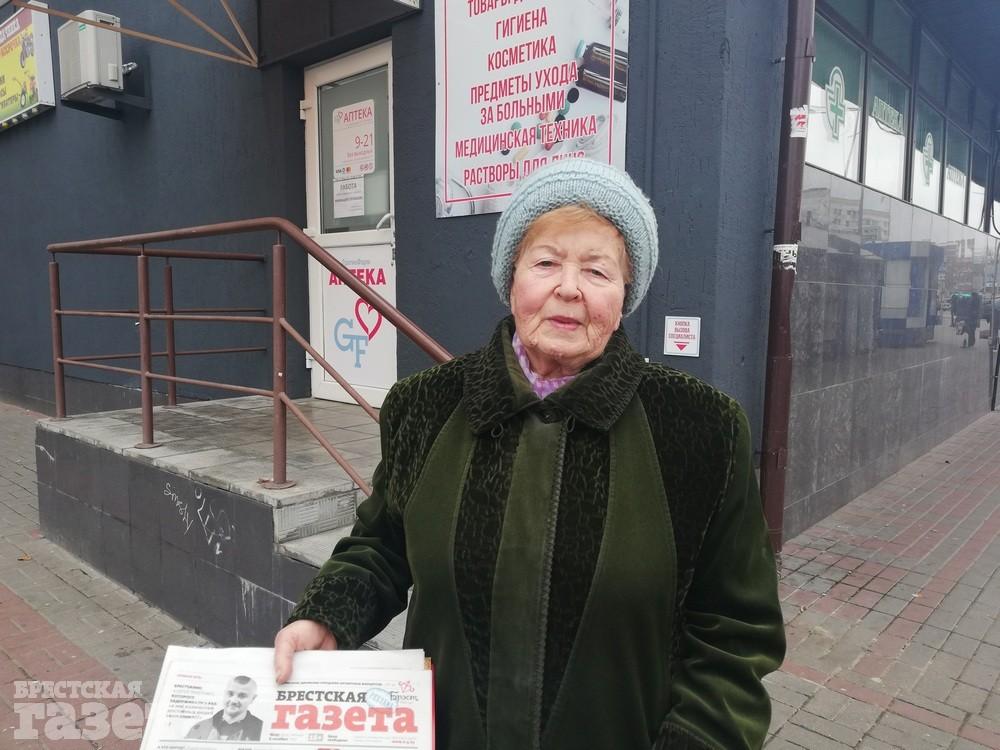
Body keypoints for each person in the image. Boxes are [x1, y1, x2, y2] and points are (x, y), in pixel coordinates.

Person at [274, 158, 786, 749]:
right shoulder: (426, 405)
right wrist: (326, 615)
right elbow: (383, 545)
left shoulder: (700, 429)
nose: (568, 287)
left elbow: (734, 633)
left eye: (597, 270)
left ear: (626, 293)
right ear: (511, 277)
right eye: (546, 263)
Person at [185, 675, 263, 742]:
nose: (233, 701)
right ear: (224, 693)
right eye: (230, 694)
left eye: (242, 696)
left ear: (253, 699)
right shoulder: (200, 727)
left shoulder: (262, 729)